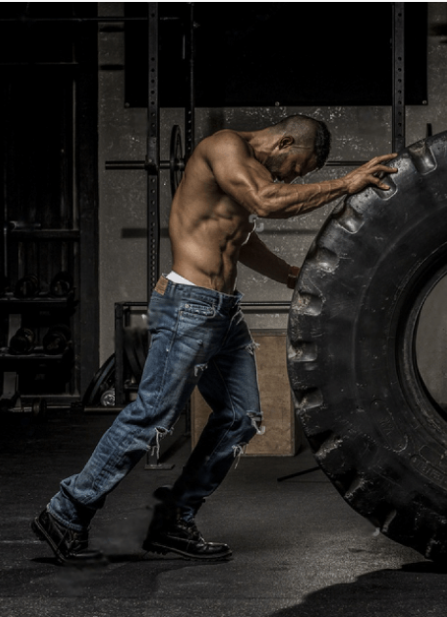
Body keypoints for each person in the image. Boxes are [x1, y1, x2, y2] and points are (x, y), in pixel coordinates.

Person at [31, 115, 397, 565]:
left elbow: (238, 238)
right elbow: (266, 202)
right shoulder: (224, 146)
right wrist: (346, 183)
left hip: (221, 312)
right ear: (284, 141)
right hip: (188, 306)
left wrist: (289, 275)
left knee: (241, 416)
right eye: (295, 167)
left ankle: (173, 519)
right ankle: (66, 512)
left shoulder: (245, 176)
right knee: (152, 416)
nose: (290, 177)